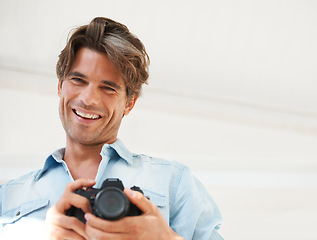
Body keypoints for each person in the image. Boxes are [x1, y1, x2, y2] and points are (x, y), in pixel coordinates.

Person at [0, 17, 223, 240]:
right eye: (78, 80)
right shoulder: (9, 196)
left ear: (129, 103)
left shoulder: (174, 182)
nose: (88, 99)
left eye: (108, 88)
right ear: (60, 86)